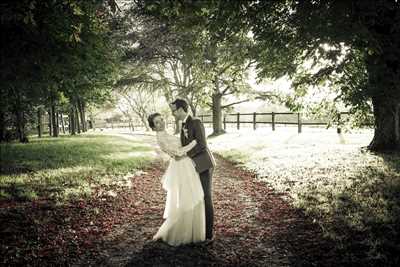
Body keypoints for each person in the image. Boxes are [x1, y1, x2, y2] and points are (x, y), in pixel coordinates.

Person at [148, 113, 206, 246]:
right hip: (181, 167)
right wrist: (194, 142)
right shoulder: (161, 138)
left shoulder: (165, 133)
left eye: (161, 119)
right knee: (188, 196)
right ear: (153, 127)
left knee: (191, 195)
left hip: (185, 164)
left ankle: (194, 230)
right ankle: (183, 232)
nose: (161, 122)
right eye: (157, 122)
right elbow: (178, 153)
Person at [170, 99, 216, 241]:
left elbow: (202, 145)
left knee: (206, 197)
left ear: (180, 109)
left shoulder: (195, 122)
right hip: (193, 166)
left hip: (204, 164)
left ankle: (209, 235)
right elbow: (185, 145)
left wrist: (184, 154)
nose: (173, 113)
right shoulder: (183, 124)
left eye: (174, 110)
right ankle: (199, 231)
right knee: (198, 197)